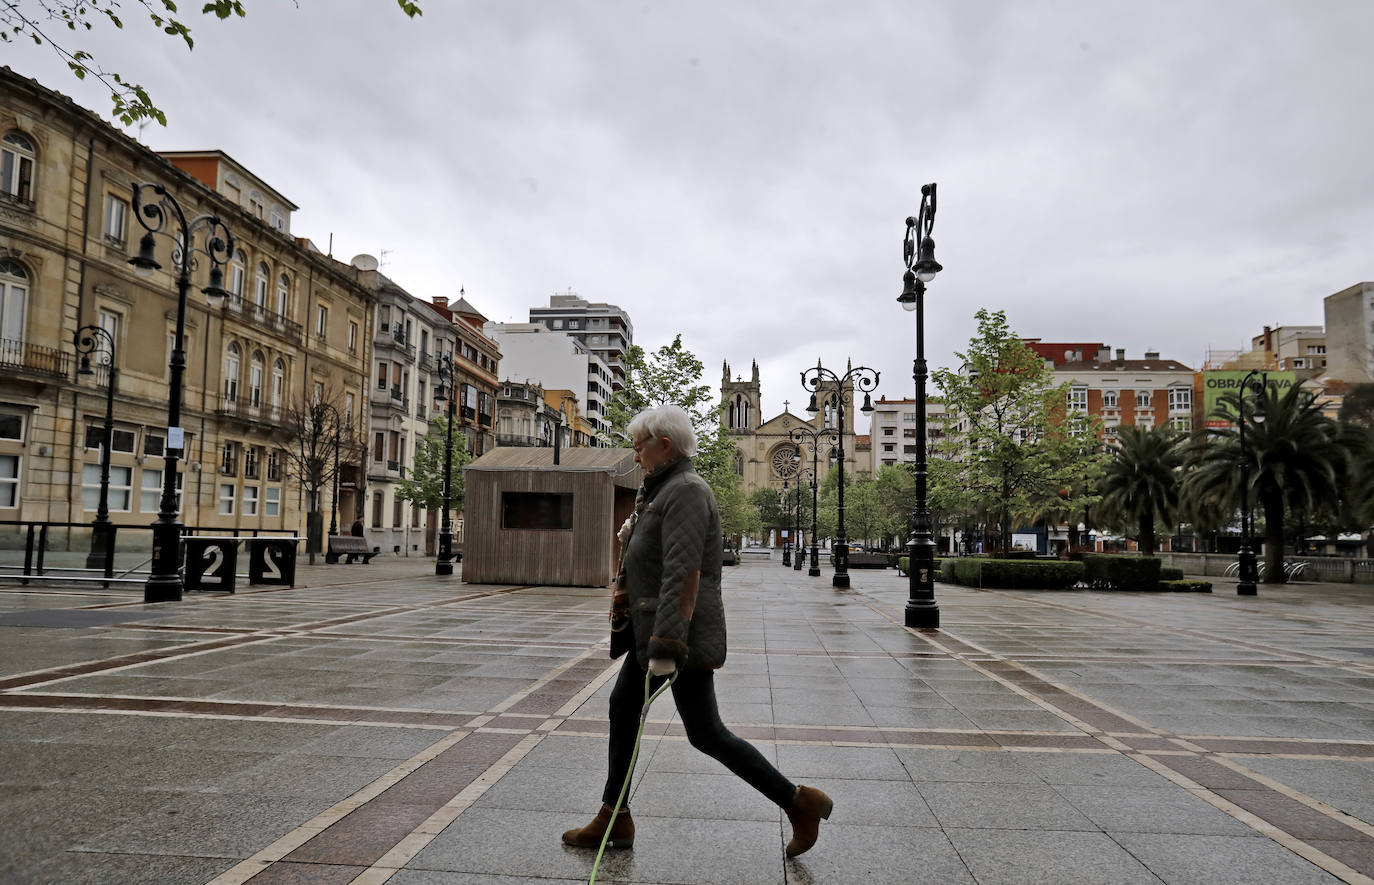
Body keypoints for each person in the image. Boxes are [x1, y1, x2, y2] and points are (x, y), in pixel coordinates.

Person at [561, 404, 833, 858]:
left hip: (674, 633)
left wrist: (667, 645)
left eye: (639, 444)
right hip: (659, 629)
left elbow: (683, 573)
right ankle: (616, 816)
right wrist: (635, 534)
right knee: (646, 714)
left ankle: (797, 801)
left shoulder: (685, 490)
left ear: (663, 445)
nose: (634, 453)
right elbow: (659, 557)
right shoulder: (665, 490)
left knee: (702, 731)